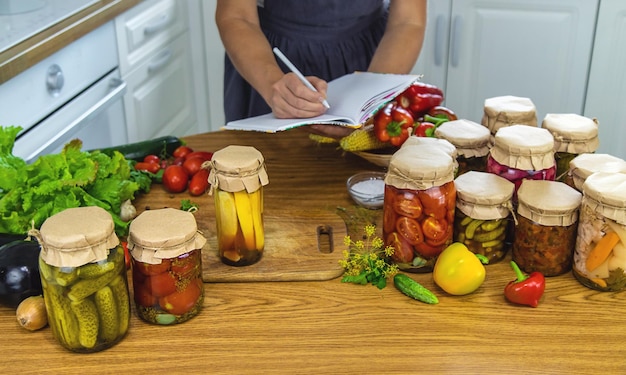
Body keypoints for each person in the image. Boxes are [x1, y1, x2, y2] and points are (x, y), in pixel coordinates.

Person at [215, 0, 427, 138]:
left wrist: (371, 100)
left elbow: (408, 21)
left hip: (375, 59)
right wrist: (272, 85)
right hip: (269, 63)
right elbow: (236, 16)